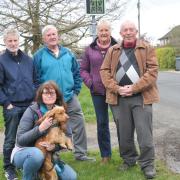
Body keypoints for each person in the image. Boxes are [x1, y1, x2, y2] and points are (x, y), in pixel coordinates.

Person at [100, 20, 159, 179]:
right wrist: (117, 88)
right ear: (120, 33)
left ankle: (147, 165)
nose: (128, 32)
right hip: (119, 98)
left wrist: (134, 87)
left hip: (142, 97)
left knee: (144, 134)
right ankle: (129, 160)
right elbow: (104, 71)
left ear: (136, 31)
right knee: (124, 134)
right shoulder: (113, 50)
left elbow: (152, 72)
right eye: (125, 30)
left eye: (131, 29)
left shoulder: (147, 48)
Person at [33, 25, 95, 162]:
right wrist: (42, 96)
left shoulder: (68, 53)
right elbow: (35, 79)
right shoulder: (38, 56)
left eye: (54, 34)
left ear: (58, 36)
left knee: (79, 124)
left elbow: (76, 73)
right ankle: (53, 156)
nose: (52, 37)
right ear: (44, 38)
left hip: (69, 96)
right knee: (51, 128)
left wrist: (76, 90)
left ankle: (80, 154)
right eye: (48, 35)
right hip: (50, 99)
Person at [11, 81, 77, 180]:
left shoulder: (60, 111)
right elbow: (20, 140)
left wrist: (54, 147)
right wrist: (40, 128)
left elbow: (68, 136)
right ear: (41, 95)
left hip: (49, 155)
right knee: (37, 155)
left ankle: (40, 171)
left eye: (52, 93)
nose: (49, 95)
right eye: (46, 93)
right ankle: (29, 175)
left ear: (57, 95)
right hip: (24, 152)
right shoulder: (31, 111)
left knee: (70, 177)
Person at [0, 27, 38, 180]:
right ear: (5, 42)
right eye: (10, 40)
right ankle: (9, 168)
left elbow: (36, 81)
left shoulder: (28, 60)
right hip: (12, 107)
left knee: (30, 137)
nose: (13, 43)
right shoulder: (1, 61)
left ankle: (27, 165)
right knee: (10, 138)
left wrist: (35, 99)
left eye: (15, 40)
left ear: (19, 41)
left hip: (29, 105)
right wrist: (6, 103)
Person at [80, 20, 117, 163]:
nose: (103, 33)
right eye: (101, 30)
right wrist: (91, 83)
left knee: (121, 122)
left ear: (110, 32)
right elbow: (82, 70)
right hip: (97, 92)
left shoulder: (117, 47)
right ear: (97, 32)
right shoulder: (90, 49)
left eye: (106, 30)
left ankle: (127, 155)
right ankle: (105, 156)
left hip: (115, 91)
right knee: (102, 123)